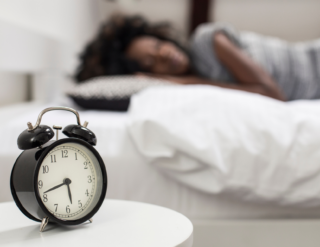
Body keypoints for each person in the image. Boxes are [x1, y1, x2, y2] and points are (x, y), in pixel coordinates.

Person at [75, 14, 320, 101]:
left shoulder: (207, 40)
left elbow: (272, 94)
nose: (165, 53)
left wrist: (187, 82)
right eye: (152, 62)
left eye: (159, 44)